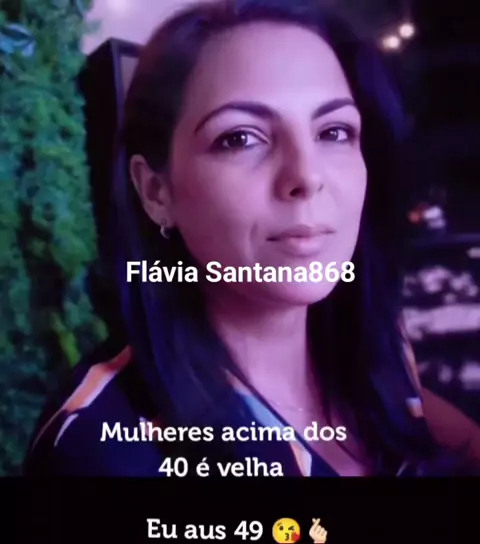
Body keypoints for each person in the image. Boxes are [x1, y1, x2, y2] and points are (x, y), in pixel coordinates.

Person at [24, 0, 480, 477]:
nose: (306, 176)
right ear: (157, 191)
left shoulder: (375, 344)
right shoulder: (100, 449)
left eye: (334, 131)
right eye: (240, 138)